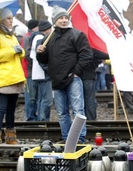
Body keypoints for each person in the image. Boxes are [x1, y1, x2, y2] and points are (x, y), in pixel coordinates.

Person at [36, 6, 93, 143]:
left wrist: (76, 72)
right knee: (62, 113)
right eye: (60, 18)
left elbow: (87, 54)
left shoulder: (76, 35)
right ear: (54, 21)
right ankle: (67, 137)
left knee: (78, 110)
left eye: (65, 18)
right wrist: (40, 53)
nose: (63, 20)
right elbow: (44, 61)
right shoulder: (49, 38)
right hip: (56, 80)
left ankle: (79, 138)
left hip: (73, 79)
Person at [0, 8, 26, 144]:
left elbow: (20, 53)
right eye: (8, 18)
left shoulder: (11, 36)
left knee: (11, 109)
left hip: (14, 77)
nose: (11, 21)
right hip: (2, 77)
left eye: (11, 18)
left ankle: (10, 135)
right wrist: (12, 50)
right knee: (1, 108)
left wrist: (20, 51)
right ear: (0, 21)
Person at [29, 20, 53, 121]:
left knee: (41, 99)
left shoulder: (35, 37)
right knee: (47, 100)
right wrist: (48, 69)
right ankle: (43, 120)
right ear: (47, 29)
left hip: (38, 73)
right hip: (43, 74)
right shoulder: (40, 38)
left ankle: (40, 120)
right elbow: (40, 55)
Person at [81, 48, 109, 121]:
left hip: (77, 75)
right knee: (90, 98)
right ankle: (91, 119)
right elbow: (104, 55)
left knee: (80, 100)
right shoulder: (90, 48)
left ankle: (82, 119)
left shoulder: (77, 46)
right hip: (88, 75)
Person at [20, 19, 39, 121]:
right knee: (30, 96)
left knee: (33, 96)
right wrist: (35, 64)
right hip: (29, 71)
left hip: (31, 71)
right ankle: (30, 117)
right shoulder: (27, 37)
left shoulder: (28, 36)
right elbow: (26, 54)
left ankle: (32, 116)